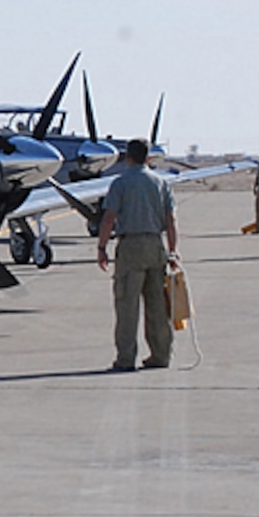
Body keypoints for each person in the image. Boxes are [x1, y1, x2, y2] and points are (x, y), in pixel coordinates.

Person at [96, 138, 179, 371]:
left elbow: (109, 218)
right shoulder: (161, 183)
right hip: (155, 245)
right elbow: (171, 220)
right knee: (157, 306)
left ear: (128, 157)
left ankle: (126, 359)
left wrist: (102, 247)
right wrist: (173, 251)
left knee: (127, 306)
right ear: (148, 158)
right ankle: (161, 355)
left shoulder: (120, 183)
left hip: (130, 246)